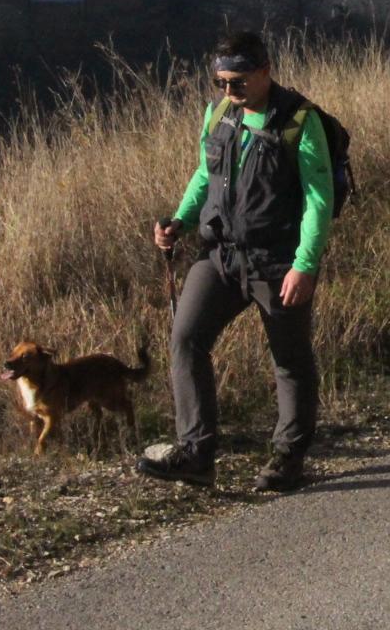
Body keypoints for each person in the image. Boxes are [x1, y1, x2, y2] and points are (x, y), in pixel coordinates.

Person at [143, 31, 336, 492]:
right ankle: (196, 454)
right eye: (221, 81)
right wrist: (180, 222)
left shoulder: (299, 122)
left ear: (265, 71)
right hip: (222, 255)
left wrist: (305, 265)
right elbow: (204, 176)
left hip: (277, 261)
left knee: (289, 360)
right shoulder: (219, 114)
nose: (229, 90)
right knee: (186, 338)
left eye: (238, 80)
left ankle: (288, 458)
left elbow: (318, 198)